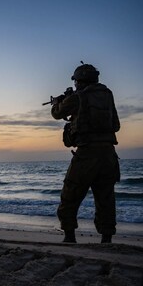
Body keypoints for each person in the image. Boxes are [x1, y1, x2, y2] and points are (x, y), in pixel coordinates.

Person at [51, 63, 120, 243]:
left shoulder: (79, 97)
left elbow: (57, 114)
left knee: (70, 194)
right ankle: (106, 239)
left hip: (87, 153)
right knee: (105, 198)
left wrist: (57, 102)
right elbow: (116, 125)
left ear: (80, 81)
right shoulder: (107, 94)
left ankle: (69, 236)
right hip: (109, 154)